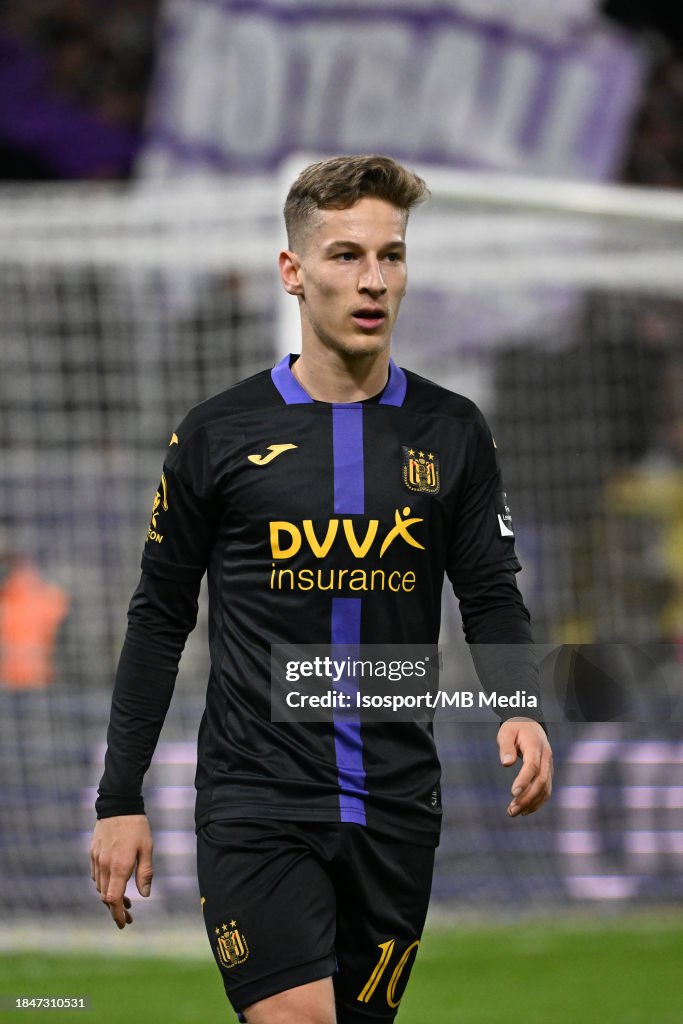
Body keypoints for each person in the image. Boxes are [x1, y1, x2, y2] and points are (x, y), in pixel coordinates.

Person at [91, 155, 553, 1024]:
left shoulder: (452, 430)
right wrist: (120, 798)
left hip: (396, 800)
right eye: (345, 256)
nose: (373, 280)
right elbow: (158, 621)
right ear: (292, 273)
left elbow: (489, 591)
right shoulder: (217, 434)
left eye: (391, 255)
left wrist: (518, 706)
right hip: (255, 797)